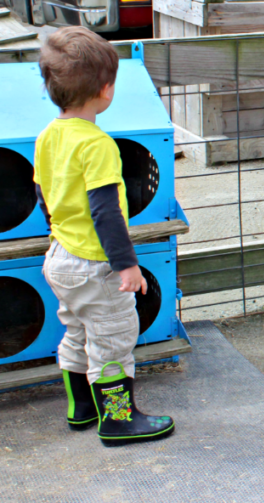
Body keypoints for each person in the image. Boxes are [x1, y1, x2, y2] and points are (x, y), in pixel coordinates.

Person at [34, 26, 174, 446]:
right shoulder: (97, 146)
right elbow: (106, 213)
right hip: (96, 264)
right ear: (106, 90)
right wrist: (127, 265)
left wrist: (58, 236)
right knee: (112, 340)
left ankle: (81, 407)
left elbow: (43, 194)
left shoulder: (48, 136)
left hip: (60, 257)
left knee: (77, 331)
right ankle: (117, 420)